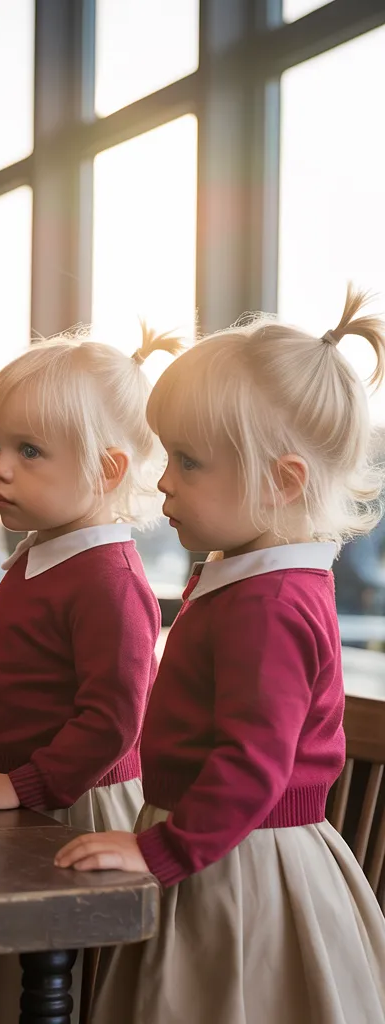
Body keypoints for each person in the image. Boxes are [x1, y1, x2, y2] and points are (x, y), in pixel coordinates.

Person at [56, 287, 385, 1024]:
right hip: (219, 842)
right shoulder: (254, 581)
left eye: (188, 461)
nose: (163, 480)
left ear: (283, 481)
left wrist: (163, 852)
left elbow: (252, 760)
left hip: (236, 862)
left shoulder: (268, 604)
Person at [0, 325, 176, 1024]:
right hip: (20, 796)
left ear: (107, 470)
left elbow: (111, 722)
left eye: (29, 451)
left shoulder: (108, 579)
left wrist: (22, 784)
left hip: (76, 806)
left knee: (51, 992)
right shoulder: (42, 556)